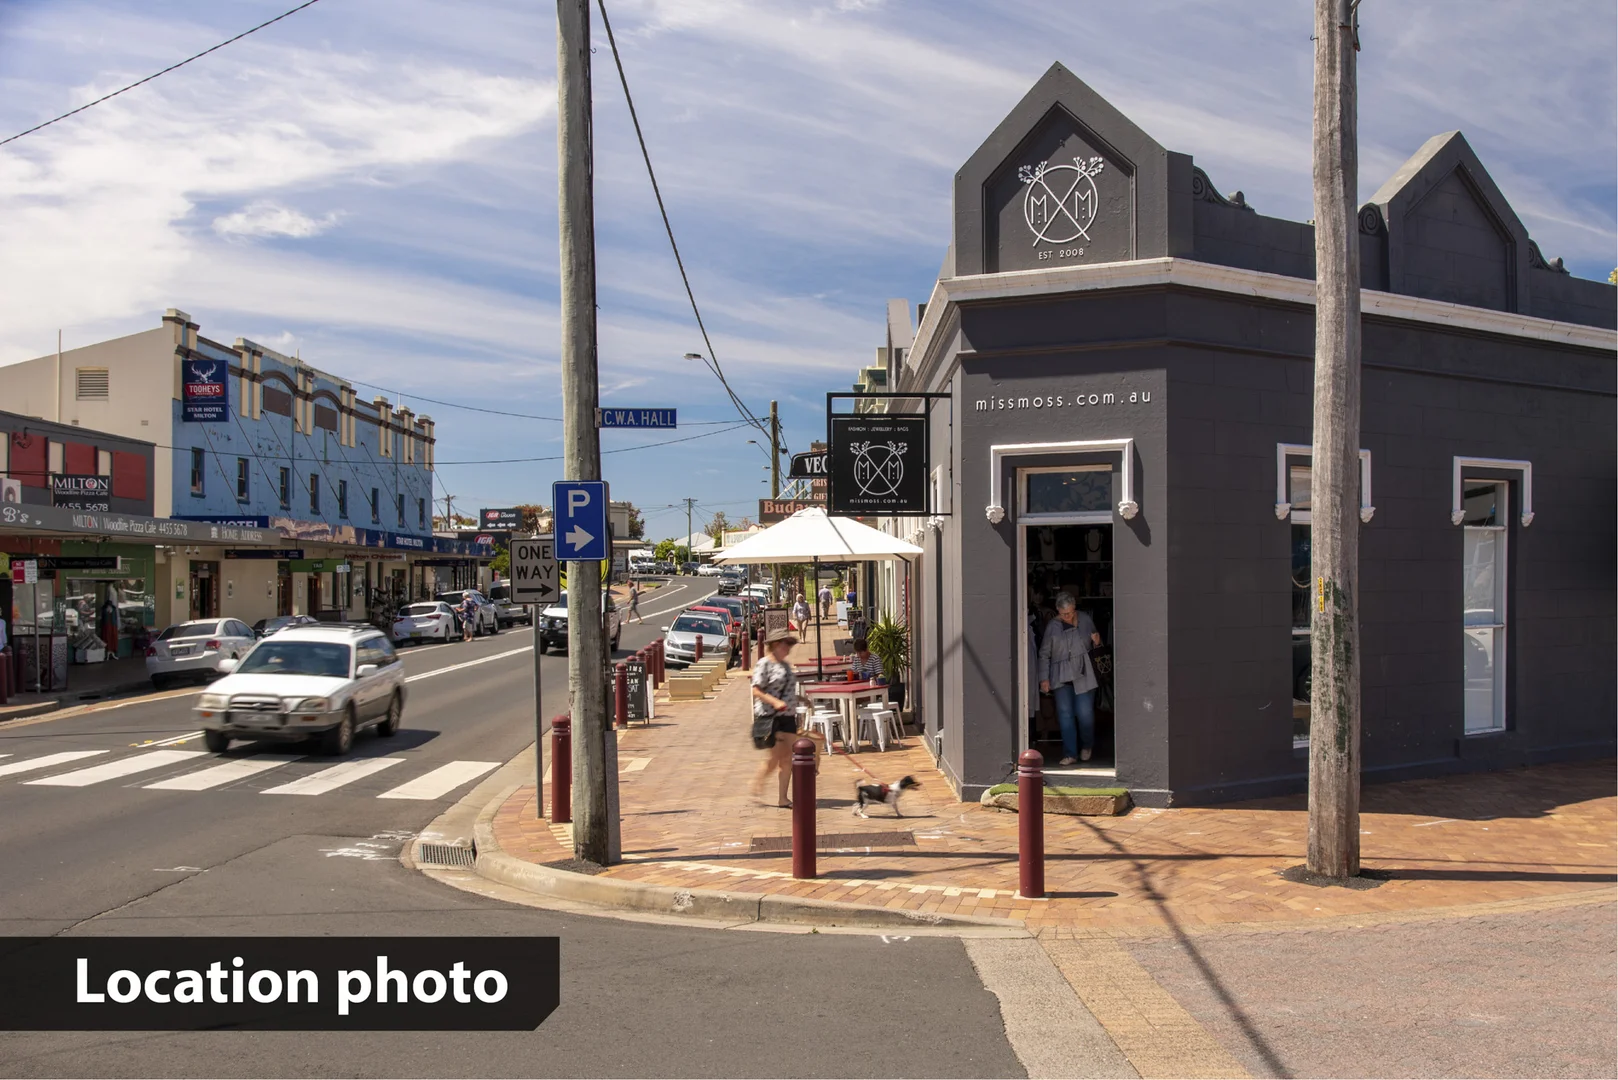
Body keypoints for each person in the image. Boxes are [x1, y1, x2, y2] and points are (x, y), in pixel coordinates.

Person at [1038, 592, 1103, 765]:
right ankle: (1070, 754)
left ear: (1075, 608)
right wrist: (1044, 678)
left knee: (1085, 714)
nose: (1068, 616)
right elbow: (1044, 654)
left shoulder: (1085, 619)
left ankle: (1087, 746)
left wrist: (1097, 641)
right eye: (1064, 613)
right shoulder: (1052, 626)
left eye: (1071, 612)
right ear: (1058, 610)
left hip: (1084, 673)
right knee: (1065, 715)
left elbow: (1097, 646)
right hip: (1060, 676)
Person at [749, 627, 803, 807]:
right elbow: (756, 690)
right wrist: (774, 702)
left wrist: (799, 700)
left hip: (788, 716)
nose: (788, 648)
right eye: (785, 644)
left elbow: (787, 690)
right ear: (776, 645)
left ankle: (783, 797)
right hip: (771, 717)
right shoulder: (764, 664)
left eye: (789, 644)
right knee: (776, 758)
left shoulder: (786, 666)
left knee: (788, 758)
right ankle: (757, 784)